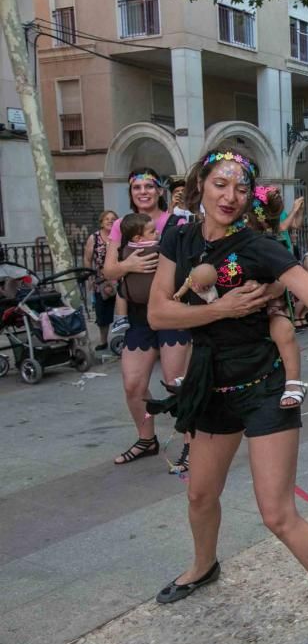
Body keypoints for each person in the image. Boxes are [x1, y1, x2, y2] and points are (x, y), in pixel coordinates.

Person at [146, 145, 308, 644]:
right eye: (221, 184)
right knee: (200, 496)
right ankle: (204, 565)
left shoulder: (259, 246)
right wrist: (220, 308)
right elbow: (159, 312)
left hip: (265, 386)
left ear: (251, 196)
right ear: (201, 183)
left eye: (241, 188)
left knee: (277, 514)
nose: (230, 196)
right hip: (210, 388)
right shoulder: (177, 237)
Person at [103, 168, 192, 469]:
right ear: (131, 193)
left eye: (149, 186)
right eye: (137, 187)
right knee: (133, 384)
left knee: (175, 383)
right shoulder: (121, 226)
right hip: (140, 317)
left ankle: (192, 445)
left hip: (170, 311)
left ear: (159, 191)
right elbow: (108, 271)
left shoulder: (176, 222)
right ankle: (146, 439)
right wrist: (127, 264)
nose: (143, 192)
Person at [244, 185, 308, 408]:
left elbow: (286, 228)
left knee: (282, 327)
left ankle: (293, 380)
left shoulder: (270, 240)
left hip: (271, 287)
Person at [83, 210, 118, 350]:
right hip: (101, 281)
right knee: (102, 313)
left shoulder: (120, 236)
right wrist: (89, 277)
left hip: (120, 279)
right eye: (107, 219)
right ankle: (103, 341)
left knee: (126, 311)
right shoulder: (94, 238)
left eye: (113, 219)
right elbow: (87, 258)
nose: (110, 221)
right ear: (101, 222)